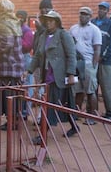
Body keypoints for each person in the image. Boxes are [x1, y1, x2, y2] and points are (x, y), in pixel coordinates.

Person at [27, 10, 79, 139]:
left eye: (51, 21)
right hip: (47, 75)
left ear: (57, 22)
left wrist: (71, 73)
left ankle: (43, 135)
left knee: (52, 105)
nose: (48, 23)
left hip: (60, 75)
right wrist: (29, 70)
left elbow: (72, 55)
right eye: (47, 20)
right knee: (62, 104)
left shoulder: (63, 35)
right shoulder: (43, 36)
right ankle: (74, 127)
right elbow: (37, 55)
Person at [0, 0, 24, 131]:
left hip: (9, 66)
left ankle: (11, 122)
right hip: (17, 65)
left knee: (9, 95)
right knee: (16, 95)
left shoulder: (3, 23)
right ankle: (16, 120)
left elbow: (5, 44)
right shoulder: (15, 22)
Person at [70, 7, 102, 125]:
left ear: (90, 16)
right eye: (81, 14)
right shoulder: (73, 28)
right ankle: (76, 114)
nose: (82, 16)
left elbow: (97, 49)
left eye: (85, 14)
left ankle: (92, 116)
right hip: (76, 64)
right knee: (77, 90)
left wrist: (94, 66)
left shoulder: (95, 30)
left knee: (90, 91)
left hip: (88, 63)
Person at [91, 1, 111, 119]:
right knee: (92, 87)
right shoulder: (92, 22)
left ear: (107, 11)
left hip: (105, 62)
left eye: (104, 9)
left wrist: (103, 57)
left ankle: (109, 113)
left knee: (106, 88)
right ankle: (93, 112)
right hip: (92, 61)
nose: (101, 10)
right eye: (100, 8)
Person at [16, 10, 34, 119]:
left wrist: (17, 39)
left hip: (25, 58)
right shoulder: (15, 29)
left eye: (21, 17)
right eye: (17, 16)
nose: (19, 18)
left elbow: (27, 46)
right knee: (18, 85)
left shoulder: (27, 31)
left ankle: (25, 111)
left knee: (26, 85)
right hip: (16, 59)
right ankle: (18, 110)